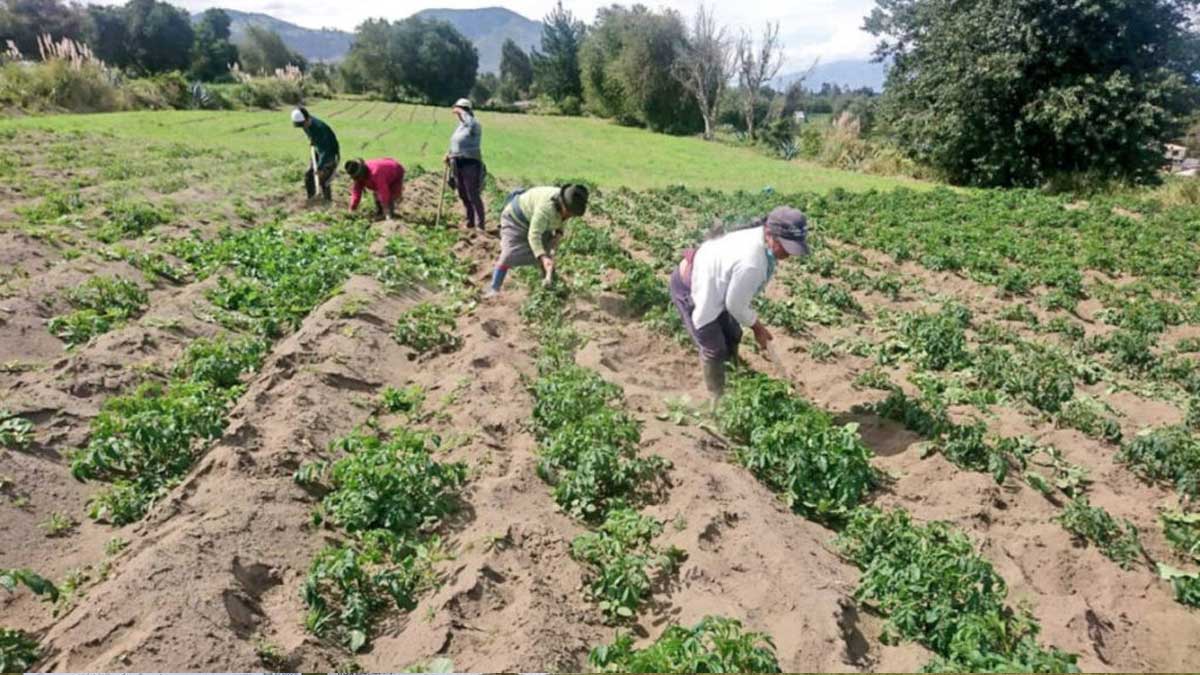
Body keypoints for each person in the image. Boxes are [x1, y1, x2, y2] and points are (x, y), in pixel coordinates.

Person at [670, 207, 810, 399]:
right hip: (692, 287)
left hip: (716, 284)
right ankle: (717, 400)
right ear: (769, 233)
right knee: (714, 348)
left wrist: (752, 326)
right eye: (785, 246)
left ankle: (732, 380)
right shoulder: (752, 262)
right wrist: (758, 328)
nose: (788, 253)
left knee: (733, 333)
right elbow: (735, 304)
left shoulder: (760, 239)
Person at [487, 185, 590, 296]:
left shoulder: (568, 204)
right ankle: (494, 289)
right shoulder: (546, 209)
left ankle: (550, 285)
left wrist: (557, 238)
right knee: (509, 254)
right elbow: (534, 235)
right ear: (563, 204)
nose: (570, 216)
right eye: (570, 212)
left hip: (538, 223)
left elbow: (561, 223)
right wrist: (543, 257)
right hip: (516, 220)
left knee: (546, 251)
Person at [444, 98, 487, 232]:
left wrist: (461, 110)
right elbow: (456, 142)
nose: (457, 114)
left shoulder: (473, 124)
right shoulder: (460, 127)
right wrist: (449, 153)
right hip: (457, 162)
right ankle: (470, 222)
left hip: (470, 162)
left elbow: (469, 121)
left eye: (460, 110)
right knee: (462, 193)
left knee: (472, 193)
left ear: (466, 110)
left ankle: (480, 224)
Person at [292, 107, 339, 202]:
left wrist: (320, 167)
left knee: (323, 179)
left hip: (329, 154)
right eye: (300, 126)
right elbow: (311, 135)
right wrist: (312, 141)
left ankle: (327, 202)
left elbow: (325, 151)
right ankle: (312, 199)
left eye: (303, 124)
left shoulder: (320, 129)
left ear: (308, 118)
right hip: (318, 151)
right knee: (309, 176)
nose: (303, 127)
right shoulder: (305, 124)